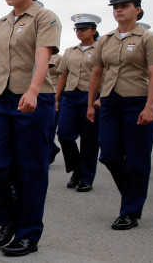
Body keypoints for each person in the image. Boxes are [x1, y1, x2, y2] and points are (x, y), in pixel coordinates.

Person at [0, 0, 60, 256]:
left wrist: (34, 90)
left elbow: (43, 58)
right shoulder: (0, 24)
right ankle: (9, 219)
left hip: (33, 100)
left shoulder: (45, 18)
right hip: (1, 99)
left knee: (30, 168)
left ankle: (29, 233)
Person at [87, 0, 153, 231]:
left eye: (124, 6)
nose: (119, 10)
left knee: (136, 159)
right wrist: (91, 103)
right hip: (110, 102)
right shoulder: (106, 40)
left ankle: (130, 211)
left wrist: (150, 107)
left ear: (137, 10)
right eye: (116, 7)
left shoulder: (148, 39)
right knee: (109, 154)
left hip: (137, 102)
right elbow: (97, 73)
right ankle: (132, 193)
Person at [54, 13, 101, 192]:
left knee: (89, 140)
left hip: (91, 97)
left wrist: (101, 98)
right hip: (70, 96)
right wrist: (57, 98)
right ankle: (77, 168)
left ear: (94, 31)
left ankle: (86, 177)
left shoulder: (101, 49)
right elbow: (63, 75)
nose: (79, 32)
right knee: (64, 134)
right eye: (77, 29)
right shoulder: (70, 51)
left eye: (83, 29)